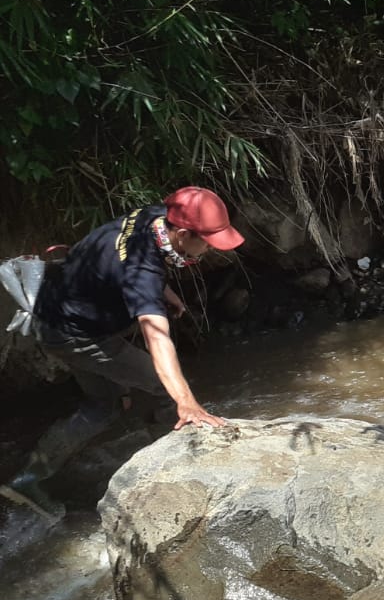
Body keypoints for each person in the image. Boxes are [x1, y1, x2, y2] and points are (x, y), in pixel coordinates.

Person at [2, 187, 243, 521]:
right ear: (184, 234)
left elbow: (130, 257)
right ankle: (180, 481)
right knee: (166, 393)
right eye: (206, 243)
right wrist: (187, 402)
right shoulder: (143, 272)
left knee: (106, 404)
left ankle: (28, 478)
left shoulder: (156, 216)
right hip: (76, 334)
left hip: (58, 314)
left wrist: (165, 289)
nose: (209, 251)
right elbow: (158, 338)